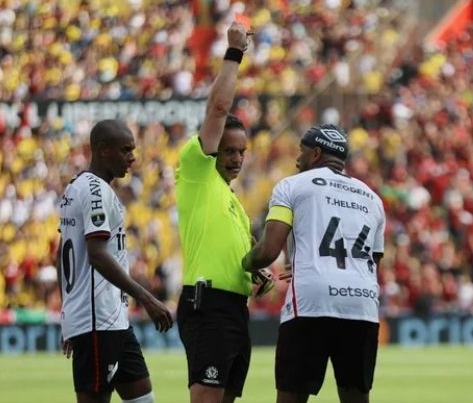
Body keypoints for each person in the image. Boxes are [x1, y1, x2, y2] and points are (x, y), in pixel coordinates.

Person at [242, 124, 386, 403]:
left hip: (312, 301)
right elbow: (372, 260)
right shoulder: (372, 198)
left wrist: (243, 262)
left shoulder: (291, 185)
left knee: (292, 395)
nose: (297, 159)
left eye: (301, 152)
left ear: (316, 153)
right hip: (362, 303)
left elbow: (268, 252)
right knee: (356, 395)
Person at [175, 21, 273, 403]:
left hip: (234, 307)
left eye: (241, 152)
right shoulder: (198, 170)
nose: (236, 159)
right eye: (229, 150)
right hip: (208, 306)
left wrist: (254, 271)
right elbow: (218, 108)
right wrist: (235, 53)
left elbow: (232, 251)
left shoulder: (229, 198)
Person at [57, 119, 173, 403]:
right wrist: (147, 298)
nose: (132, 158)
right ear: (102, 150)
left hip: (112, 320)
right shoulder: (97, 192)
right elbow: (97, 255)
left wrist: (69, 314)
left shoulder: (75, 187)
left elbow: (62, 252)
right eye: (125, 150)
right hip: (98, 321)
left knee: (143, 399)